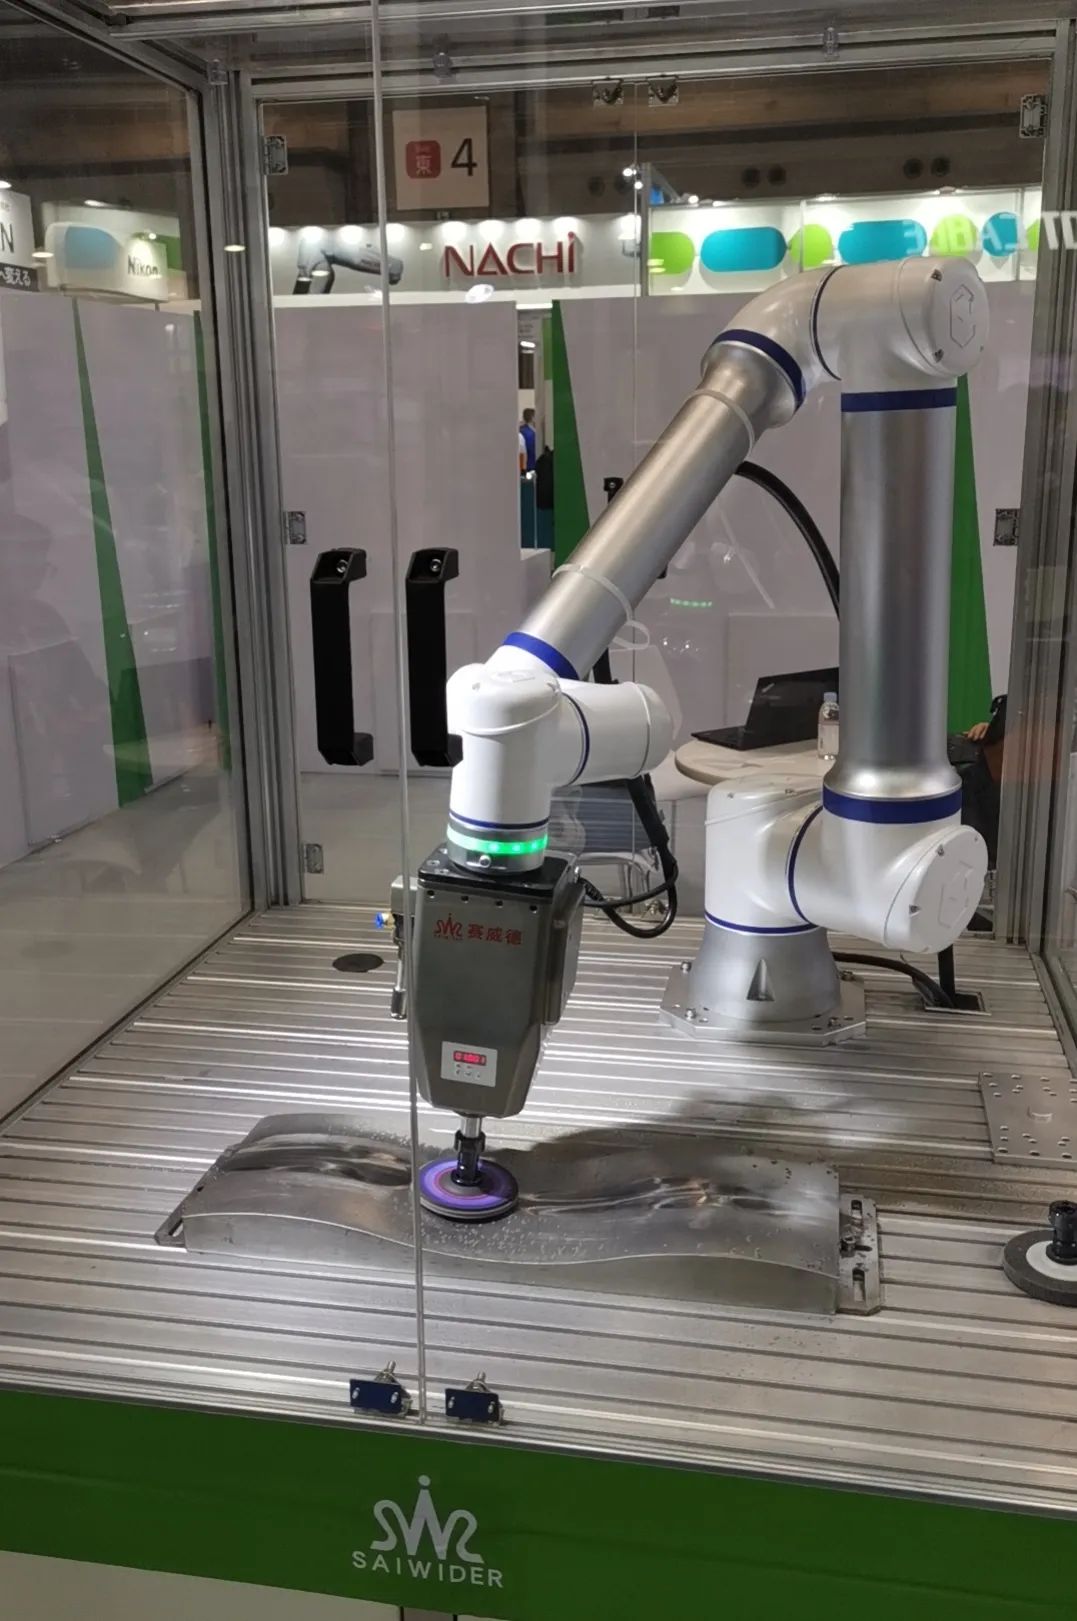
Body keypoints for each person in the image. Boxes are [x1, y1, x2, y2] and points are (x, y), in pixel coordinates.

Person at [519, 407, 537, 472]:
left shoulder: (521, 431)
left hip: (528, 465)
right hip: (529, 465)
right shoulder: (528, 433)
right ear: (532, 418)